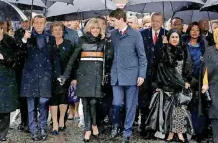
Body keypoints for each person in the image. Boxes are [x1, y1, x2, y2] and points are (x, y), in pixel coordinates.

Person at [58, 18, 113, 142]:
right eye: (92, 28)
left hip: (97, 76)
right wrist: (66, 75)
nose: (95, 30)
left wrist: (107, 43)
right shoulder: (81, 41)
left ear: (100, 29)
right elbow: (73, 59)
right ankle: (88, 129)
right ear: (89, 29)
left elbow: (109, 58)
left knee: (94, 102)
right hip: (84, 76)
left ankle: (94, 124)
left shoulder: (103, 41)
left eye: (97, 28)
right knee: (85, 103)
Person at [109, 9, 147, 143]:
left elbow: (142, 57)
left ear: (120, 19)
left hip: (132, 75)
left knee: (130, 106)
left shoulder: (135, 34)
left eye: (113, 21)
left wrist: (141, 75)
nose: (111, 23)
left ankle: (127, 131)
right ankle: (115, 126)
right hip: (116, 75)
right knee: (117, 103)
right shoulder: (112, 34)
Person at [20, 15, 61, 141]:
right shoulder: (27, 36)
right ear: (33, 23)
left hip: (45, 75)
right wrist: (24, 41)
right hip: (30, 75)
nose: (38, 25)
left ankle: (43, 127)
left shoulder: (50, 38)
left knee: (43, 103)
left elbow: (55, 57)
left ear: (45, 23)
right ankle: (33, 129)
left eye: (41, 23)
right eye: (36, 23)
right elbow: (20, 55)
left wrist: (57, 74)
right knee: (31, 104)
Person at [153, 29, 194, 142]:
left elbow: (189, 66)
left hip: (182, 84)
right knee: (169, 110)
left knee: (180, 109)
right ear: (168, 38)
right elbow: (163, 68)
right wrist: (166, 48)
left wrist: (186, 81)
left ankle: (180, 132)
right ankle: (170, 132)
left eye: (177, 37)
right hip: (169, 85)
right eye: (172, 37)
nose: (175, 39)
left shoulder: (184, 50)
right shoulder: (164, 51)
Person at [139, 13, 168, 138]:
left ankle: (156, 127)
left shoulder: (166, 35)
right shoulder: (142, 34)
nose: (155, 23)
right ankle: (145, 126)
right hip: (145, 73)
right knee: (144, 101)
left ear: (162, 22)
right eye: (153, 21)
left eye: (158, 21)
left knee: (158, 101)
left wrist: (166, 45)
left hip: (160, 74)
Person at [182, 22, 207, 142]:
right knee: (186, 105)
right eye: (192, 29)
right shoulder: (183, 45)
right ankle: (186, 130)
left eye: (197, 30)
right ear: (188, 31)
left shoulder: (203, 45)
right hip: (186, 79)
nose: (195, 32)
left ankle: (198, 131)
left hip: (200, 80)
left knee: (198, 106)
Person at [49, 22, 75, 135]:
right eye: (55, 30)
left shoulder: (69, 44)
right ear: (51, 32)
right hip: (51, 76)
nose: (58, 32)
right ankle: (54, 122)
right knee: (53, 99)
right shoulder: (48, 44)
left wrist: (73, 77)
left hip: (65, 75)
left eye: (60, 30)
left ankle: (61, 121)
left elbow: (73, 62)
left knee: (63, 98)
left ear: (63, 31)